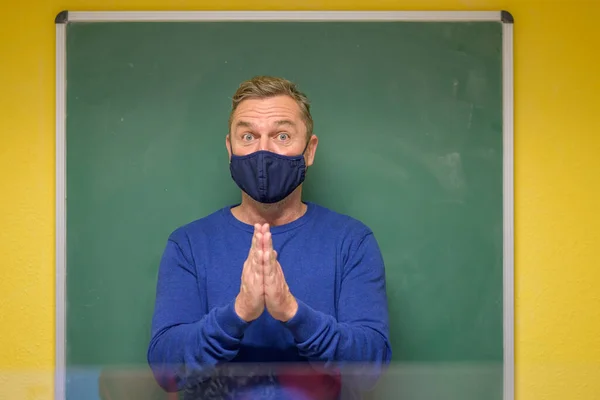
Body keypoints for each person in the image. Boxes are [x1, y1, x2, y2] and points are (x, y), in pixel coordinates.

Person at [147, 76, 392, 400]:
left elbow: (370, 367)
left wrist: (292, 312)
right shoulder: (188, 245)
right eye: (248, 136)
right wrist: (238, 312)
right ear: (230, 148)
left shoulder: (352, 242)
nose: (263, 151)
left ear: (309, 150)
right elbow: (165, 369)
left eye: (282, 135)